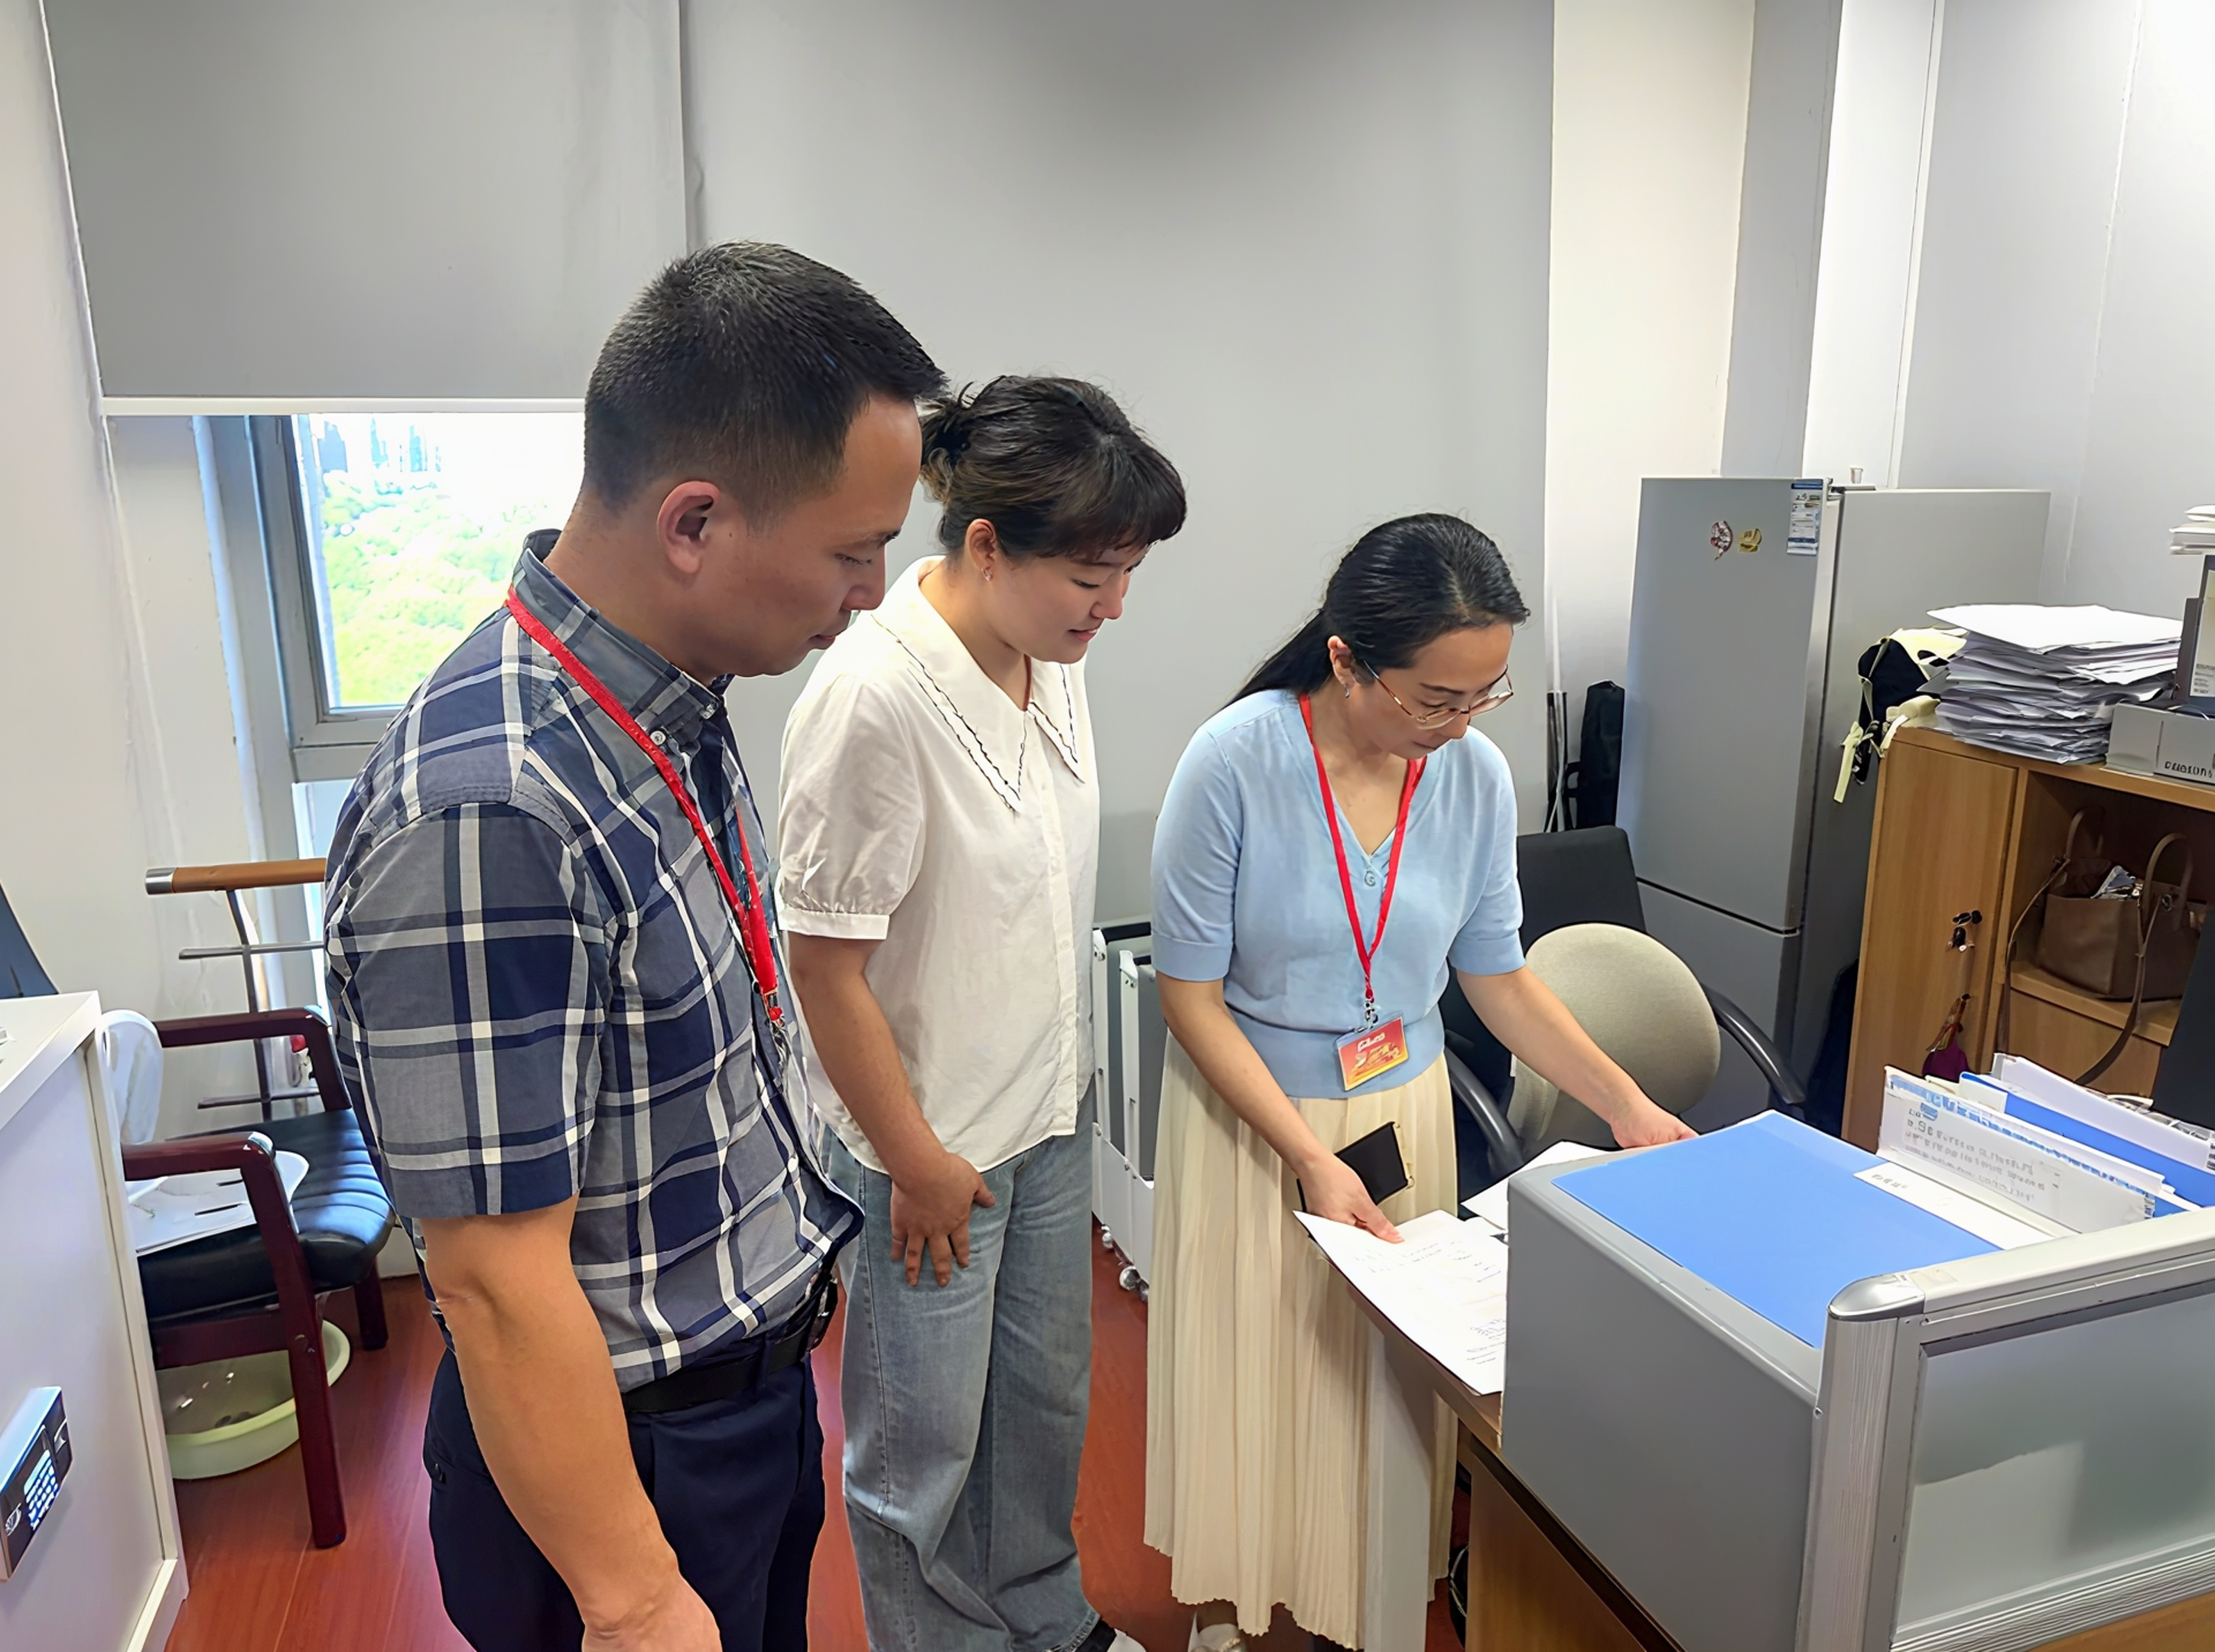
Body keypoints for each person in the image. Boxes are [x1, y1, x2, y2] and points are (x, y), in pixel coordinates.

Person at [323, 242, 944, 1652]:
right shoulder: (491, 809)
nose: (872, 591)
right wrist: (633, 1593)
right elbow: (492, 1280)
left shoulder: (666, 700)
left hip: (731, 1408)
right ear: (694, 523)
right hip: (623, 1466)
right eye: (853, 550)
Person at [1143, 515, 1695, 1651]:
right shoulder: (1234, 762)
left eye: (1483, 695)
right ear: (1347, 660)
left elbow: (1500, 978)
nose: (1458, 726)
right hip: (1257, 1122)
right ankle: (1238, 1615)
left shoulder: (1472, 776)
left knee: (1379, 1397)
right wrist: (1306, 1155)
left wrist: (1628, 1104)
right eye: (1434, 699)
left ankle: (1362, 1607)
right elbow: (1189, 999)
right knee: (1261, 1382)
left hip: (1403, 1113)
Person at [778, 376, 1186, 1652]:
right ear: (989, 546)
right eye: (1093, 576)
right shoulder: (876, 698)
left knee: (1041, 1412)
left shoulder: (1047, 655)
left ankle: (1044, 1618)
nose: (1114, 606)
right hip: (928, 1144)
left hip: (1045, 1116)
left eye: (1129, 573)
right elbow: (823, 969)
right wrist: (917, 1163)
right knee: (921, 1453)